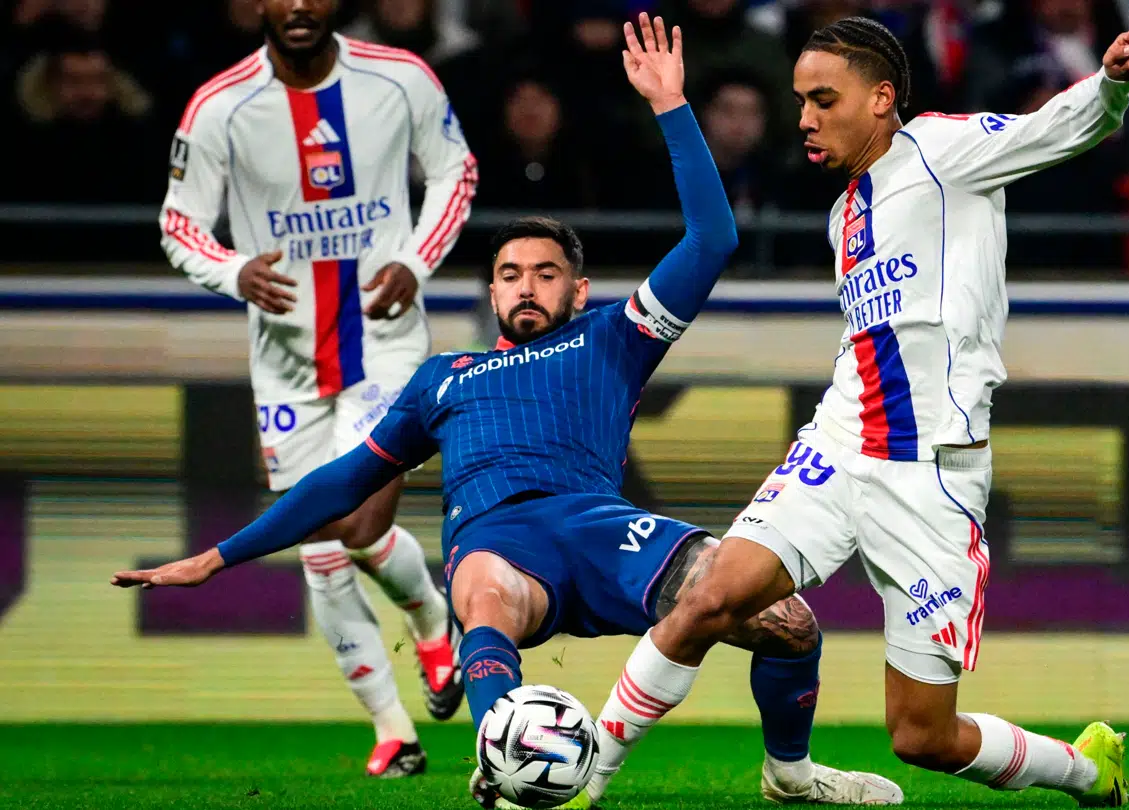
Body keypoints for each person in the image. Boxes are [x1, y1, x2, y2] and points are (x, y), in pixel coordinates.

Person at [116, 14, 900, 808]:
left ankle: (790, 776)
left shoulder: (614, 338)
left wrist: (670, 104)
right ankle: (502, 763)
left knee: (789, 623)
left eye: (546, 273)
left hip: (604, 529)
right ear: (491, 292)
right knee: (485, 593)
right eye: (511, 274)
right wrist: (218, 557)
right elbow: (342, 483)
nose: (528, 285)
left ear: (578, 291)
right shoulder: (443, 379)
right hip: (498, 540)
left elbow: (711, 239)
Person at [585, 16, 1129, 809]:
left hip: (931, 474)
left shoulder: (943, 151)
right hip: (841, 443)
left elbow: (1053, 130)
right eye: (800, 102)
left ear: (882, 98)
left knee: (922, 736)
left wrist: (1112, 87)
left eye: (824, 99)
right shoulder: (844, 211)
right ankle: (583, 781)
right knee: (709, 598)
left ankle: (1087, 770)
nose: (805, 118)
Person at [155, 0, 479, 778]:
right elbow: (179, 222)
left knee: (356, 521)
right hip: (288, 362)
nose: (299, 4)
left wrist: (417, 260)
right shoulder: (220, 105)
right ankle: (394, 730)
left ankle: (431, 619)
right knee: (321, 550)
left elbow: (455, 171)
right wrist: (233, 269)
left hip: (385, 345)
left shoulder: (400, 78)